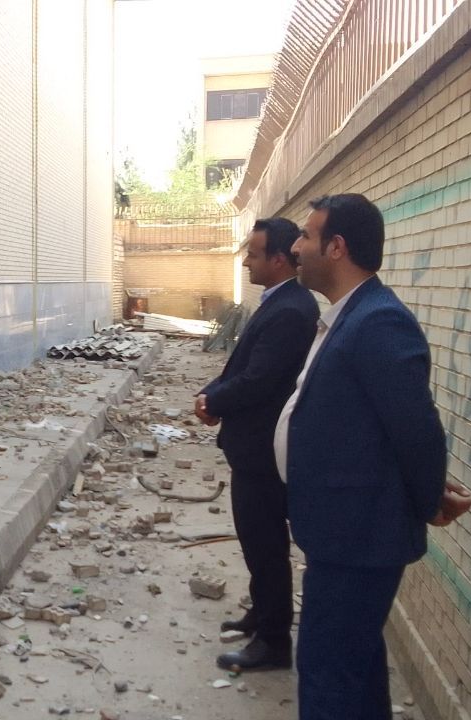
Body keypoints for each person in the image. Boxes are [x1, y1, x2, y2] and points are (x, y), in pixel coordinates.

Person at [276, 193, 471, 719]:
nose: (296, 247)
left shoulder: (378, 321)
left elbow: (416, 429)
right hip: (343, 532)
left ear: (336, 247)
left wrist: (428, 499)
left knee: (328, 673)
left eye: (307, 236)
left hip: (358, 538)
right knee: (354, 670)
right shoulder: (350, 316)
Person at [195, 217, 318, 672]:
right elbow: (241, 367)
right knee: (256, 541)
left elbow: (259, 379)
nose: (246, 260)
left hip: (264, 452)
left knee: (264, 544)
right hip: (255, 447)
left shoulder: (290, 310)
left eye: (254, 253)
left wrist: (214, 400)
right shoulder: (280, 302)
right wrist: (212, 393)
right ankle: (261, 614)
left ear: (279, 259)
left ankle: (272, 641)